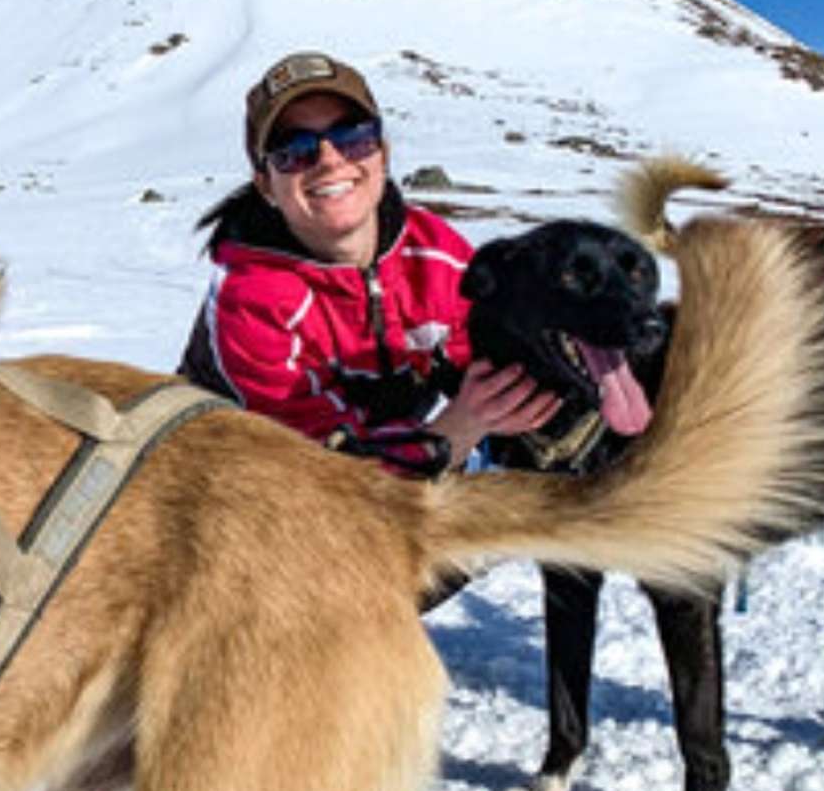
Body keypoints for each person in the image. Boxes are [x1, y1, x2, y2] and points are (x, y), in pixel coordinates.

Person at [179, 51, 557, 478]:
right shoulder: (254, 299)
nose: (329, 159)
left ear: (382, 153)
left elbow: (490, 362)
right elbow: (328, 484)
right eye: (294, 150)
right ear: (266, 183)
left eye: (352, 137)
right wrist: (453, 433)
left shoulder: (435, 255)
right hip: (239, 485)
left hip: (399, 459)